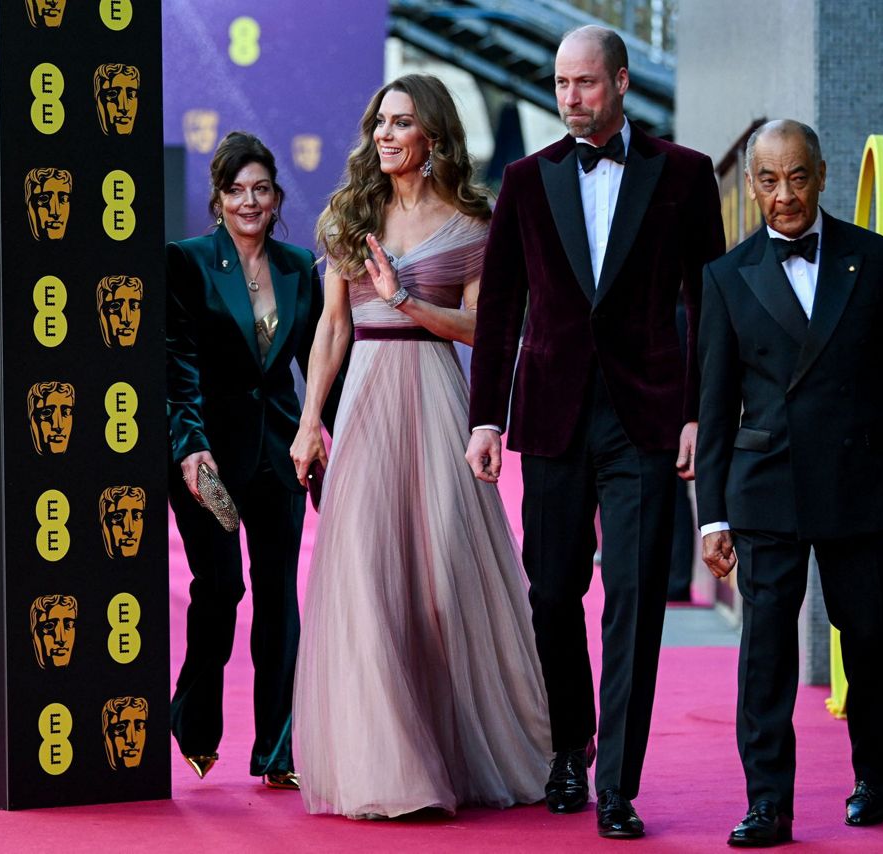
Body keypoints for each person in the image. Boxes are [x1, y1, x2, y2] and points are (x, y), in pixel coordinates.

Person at [466, 25, 725, 839]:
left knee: (636, 599)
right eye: (560, 83)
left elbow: (707, 303)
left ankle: (616, 782)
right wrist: (485, 416)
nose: (570, 97)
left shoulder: (684, 175)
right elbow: (500, 306)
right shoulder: (525, 179)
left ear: (619, 81)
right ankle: (568, 747)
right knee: (551, 593)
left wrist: (698, 412)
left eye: (584, 82)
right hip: (552, 413)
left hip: (646, 416)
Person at [290, 73, 550, 819]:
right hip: (364, 399)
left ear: (433, 135)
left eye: (401, 122)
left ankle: (463, 748)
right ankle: (388, 768)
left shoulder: (473, 224)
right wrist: (310, 420)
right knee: (366, 578)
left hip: (435, 396)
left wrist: (406, 300)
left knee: (442, 581)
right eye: (380, 121)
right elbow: (333, 328)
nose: (385, 133)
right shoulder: (350, 214)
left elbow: (486, 329)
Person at [694, 120, 883, 847]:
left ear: (822, 175)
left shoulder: (878, 260)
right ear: (752, 188)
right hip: (766, 488)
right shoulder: (726, 276)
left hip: (861, 483)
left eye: (797, 177)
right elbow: (714, 405)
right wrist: (712, 515)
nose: (784, 195)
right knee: (766, 651)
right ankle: (767, 804)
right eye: (769, 180)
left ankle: (876, 775)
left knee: (870, 638)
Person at [166, 130, 334, 788]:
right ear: (218, 198)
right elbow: (177, 364)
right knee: (221, 586)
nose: (249, 201)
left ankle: (277, 751)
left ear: (277, 196)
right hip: (208, 460)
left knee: (278, 596)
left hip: (280, 456)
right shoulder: (188, 261)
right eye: (236, 190)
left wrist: (329, 433)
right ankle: (195, 722)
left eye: (261, 189)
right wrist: (189, 445)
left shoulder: (298, 266)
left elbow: (318, 366)